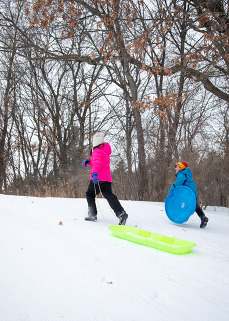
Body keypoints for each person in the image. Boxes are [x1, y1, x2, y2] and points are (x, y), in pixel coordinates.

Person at [82, 132, 128, 225]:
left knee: (89, 194)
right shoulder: (104, 152)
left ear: (95, 143)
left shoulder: (96, 151)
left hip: (98, 178)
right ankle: (121, 213)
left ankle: (92, 214)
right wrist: (89, 162)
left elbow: (97, 164)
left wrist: (95, 174)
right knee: (109, 195)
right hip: (107, 179)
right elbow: (98, 163)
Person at [170, 161, 209, 228]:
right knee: (193, 206)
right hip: (191, 192)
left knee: (191, 205)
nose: (175, 168)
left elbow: (179, 183)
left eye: (176, 167)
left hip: (189, 193)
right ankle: (203, 217)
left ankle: (179, 217)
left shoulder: (182, 174)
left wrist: (172, 188)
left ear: (180, 167)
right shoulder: (186, 174)